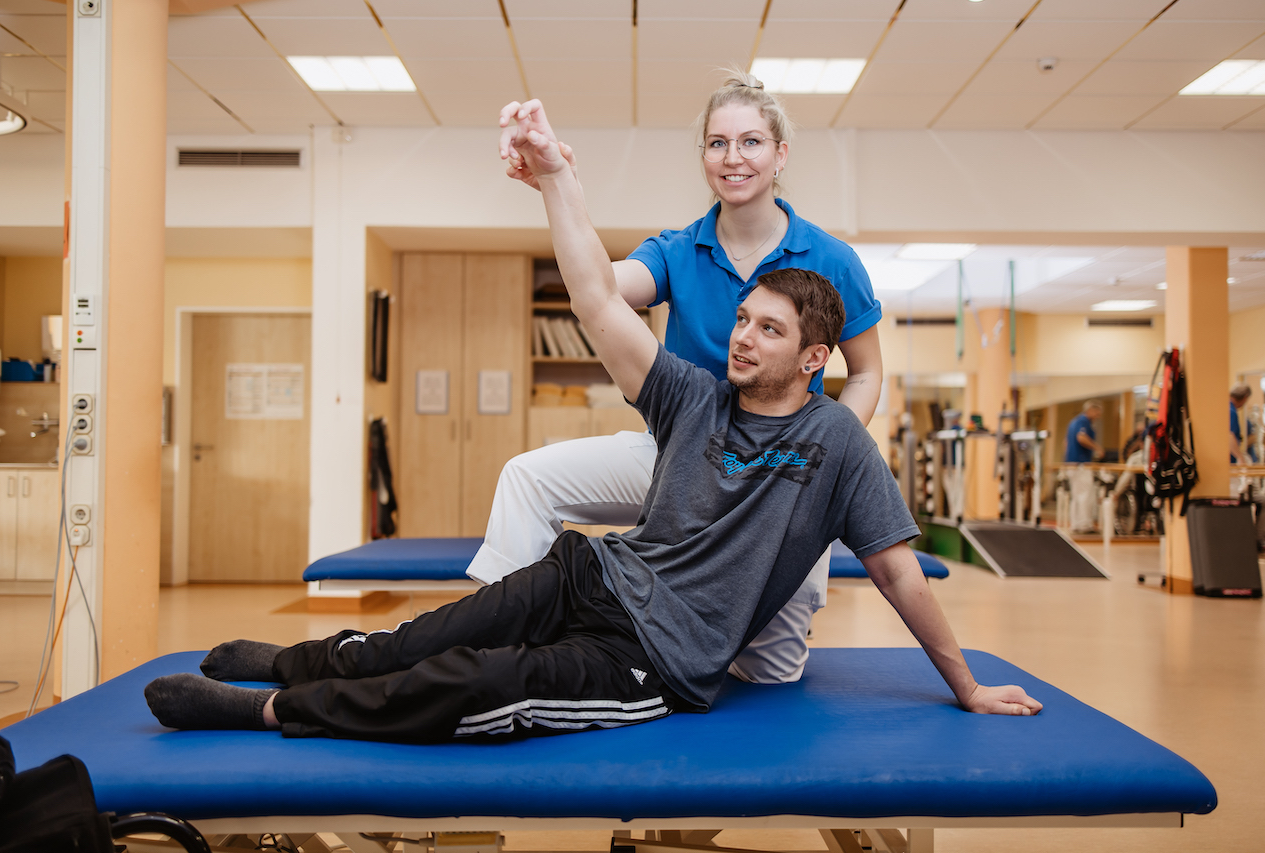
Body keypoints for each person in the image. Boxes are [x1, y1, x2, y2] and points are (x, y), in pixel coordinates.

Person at [142, 105, 1040, 744]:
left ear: (814, 356)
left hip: (655, 655)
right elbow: (599, 303)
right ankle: (293, 662)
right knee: (439, 631)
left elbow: (897, 575)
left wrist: (965, 687)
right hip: (593, 572)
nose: (741, 335)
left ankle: (270, 712)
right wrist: (556, 179)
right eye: (740, 319)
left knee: (484, 684)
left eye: (768, 328)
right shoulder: (694, 395)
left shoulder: (837, 441)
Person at [478, 72, 884, 685]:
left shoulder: (829, 259)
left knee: (766, 676)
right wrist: (559, 186)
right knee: (528, 477)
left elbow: (867, 371)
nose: (733, 157)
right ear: (704, 158)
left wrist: (816, 463)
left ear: (780, 154)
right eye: (717, 143)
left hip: (779, 480)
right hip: (680, 458)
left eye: (751, 142)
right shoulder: (676, 250)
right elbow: (599, 290)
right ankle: (497, 640)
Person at [1064, 400, 1102, 533]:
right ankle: (1084, 524)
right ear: (1090, 410)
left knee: (1076, 495)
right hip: (1081, 463)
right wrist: (1097, 448)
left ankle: (1076, 524)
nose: (1098, 416)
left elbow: (1066, 443)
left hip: (1071, 463)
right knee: (1086, 494)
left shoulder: (1073, 422)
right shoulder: (1083, 422)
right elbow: (1081, 438)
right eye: (1097, 413)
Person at [1230, 384, 1253, 464]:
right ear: (1245, 398)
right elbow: (1229, 435)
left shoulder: (1226, 406)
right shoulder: (1231, 411)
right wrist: (1240, 457)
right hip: (1228, 459)